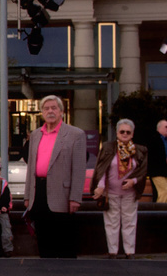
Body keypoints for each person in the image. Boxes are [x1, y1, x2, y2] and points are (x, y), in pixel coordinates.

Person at [25, 94, 87, 259]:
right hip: (39, 191)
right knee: (43, 236)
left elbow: (79, 169)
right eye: (46, 108)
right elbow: (31, 166)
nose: (50, 111)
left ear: (61, 112)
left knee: (64, 239)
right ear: (41, 112)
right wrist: (27, 196)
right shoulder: (36, 134)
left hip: (63, 194)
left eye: (54, 108)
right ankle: (45, 272)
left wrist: (75, 198)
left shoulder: (75, 134)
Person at [92, 119, 148, 259]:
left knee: (130, 222)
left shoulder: (140, 150)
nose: (124, 134)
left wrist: (134, 181)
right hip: (111, 194)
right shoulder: (108, 147)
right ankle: (113, 252)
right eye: (122, 131)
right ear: (116, 133)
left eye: (128, 132)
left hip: (130, 193)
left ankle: (129, 252)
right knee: (111, 222)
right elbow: (101, 169)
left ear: (132, 134)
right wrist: (100, 186)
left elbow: (143, 171)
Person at [149, 118, 167, 204]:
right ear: (159, 128)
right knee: (164, 191)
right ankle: (159, 213)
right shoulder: (154, 139)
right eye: (166, 127)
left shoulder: (165, 140)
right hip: (157, 171)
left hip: (163, 171)